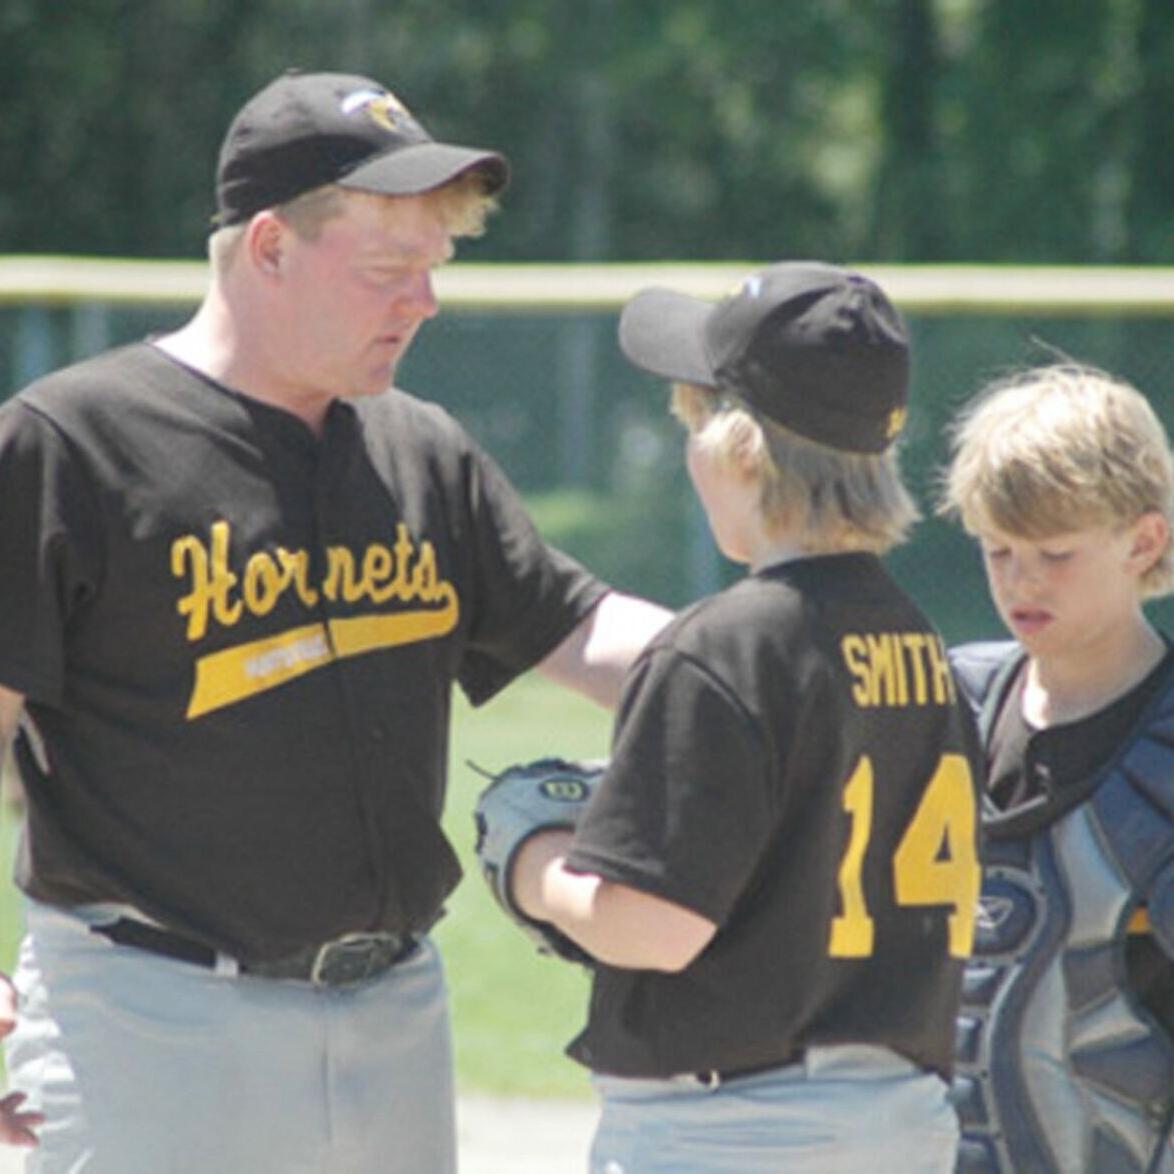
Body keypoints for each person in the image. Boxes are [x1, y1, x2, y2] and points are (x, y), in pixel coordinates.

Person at [0, 69, 670, 1172]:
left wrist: (782, 657)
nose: (424, 301)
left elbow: (582, 631)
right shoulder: (75, 441)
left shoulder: (417, 446)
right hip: (147, 1018)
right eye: (388, 270)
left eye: (433, 267)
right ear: (268, 248)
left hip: (393, 1013)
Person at [506, 261, 984, 1172]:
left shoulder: (724, 646)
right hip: (900, 1119)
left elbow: (651, 926)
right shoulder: (923, 642)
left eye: (692, 419)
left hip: (731, 1129)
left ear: (740, 452)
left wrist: (531, 861)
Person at [939, 363, 1174, 1173]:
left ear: (1144, 541)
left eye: (1055, 552)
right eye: (997, 549)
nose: (1021, 579)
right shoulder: (945, 705)